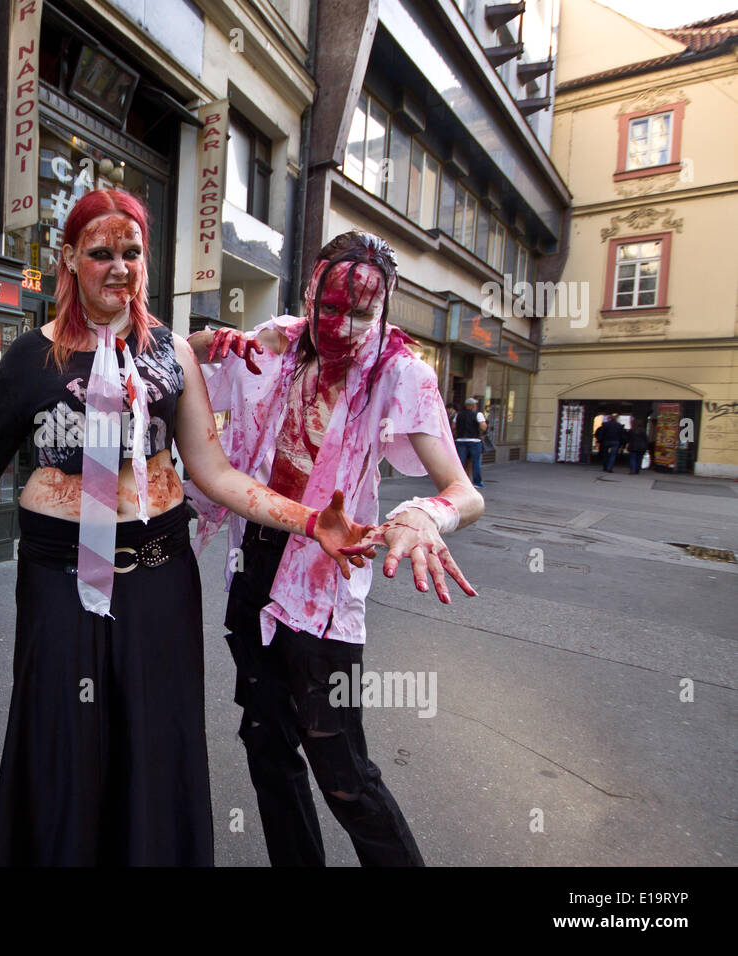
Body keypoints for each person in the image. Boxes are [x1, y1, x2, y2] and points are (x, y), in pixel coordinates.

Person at [0, 189, 376, 865]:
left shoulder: (173, 352)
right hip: (60, 582)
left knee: (155, 739)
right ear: (68, 258)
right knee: (65, 740)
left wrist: (306, 522)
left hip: (161, 579)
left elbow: (213, 471)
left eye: (131, 252)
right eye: (100, 253)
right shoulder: (29, 358)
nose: (119, 267)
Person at [186, 231, 484, 866]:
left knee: (341, 768)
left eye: (363, 313)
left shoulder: (398, 373)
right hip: (256, 565)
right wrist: (203, 344)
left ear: (385, 310)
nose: (345, 326)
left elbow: (464, 490)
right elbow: (176, 381)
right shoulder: (280, 342)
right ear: (309, 294)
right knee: (265, 742)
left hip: (324, 584)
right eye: (331, 308)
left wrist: (424, 515)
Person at [455, 396, 488, 488]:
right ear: (472, 406)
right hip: (474, 440)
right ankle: (477, 482)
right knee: (475, 462)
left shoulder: (458, 415)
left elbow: (454, 426)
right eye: (475, 404)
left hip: (460, 440)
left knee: (460, 462)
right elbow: (483, 427)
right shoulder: (478, 414)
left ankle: (459, 481)